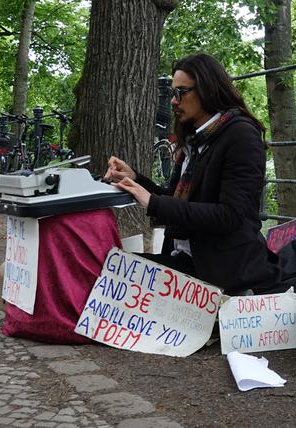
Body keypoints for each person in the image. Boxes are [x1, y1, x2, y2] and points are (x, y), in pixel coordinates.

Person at [104, 54, 281, 296]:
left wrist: (154, 202)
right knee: (105, 265)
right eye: (172, 94)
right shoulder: (196, 140)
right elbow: (178, 202)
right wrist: (135, 179)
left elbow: (230, 216)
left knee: (111, 272)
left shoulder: (241, 137)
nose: (174, 102)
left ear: (207, 89)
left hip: (221, 271)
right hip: (187, 260)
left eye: (181, 93)